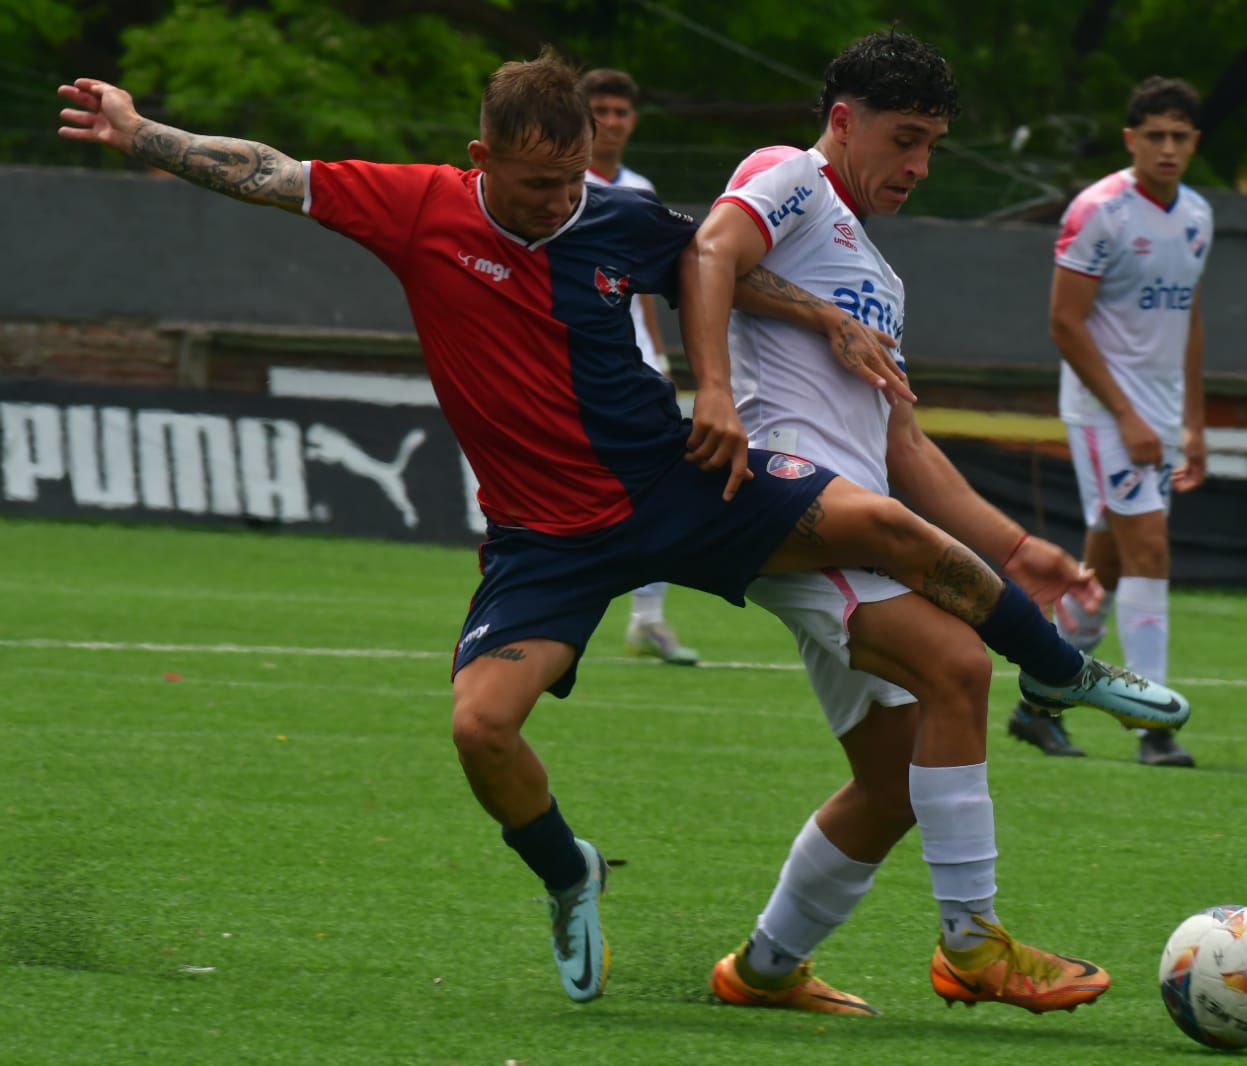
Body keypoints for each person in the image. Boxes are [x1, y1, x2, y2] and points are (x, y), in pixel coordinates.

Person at [57, 51, 1181, 1008]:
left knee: (889, 532)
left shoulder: (617, 213)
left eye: (572, 180)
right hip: (545, 537)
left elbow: (716, 266)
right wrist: (142, 130)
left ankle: (1059, 673)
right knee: (480, 729)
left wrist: (817, 318)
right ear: (482, 156)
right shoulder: (419, 207)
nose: (559, 202)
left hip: (670, 483)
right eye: (539, 183)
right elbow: (270, 172)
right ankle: (569, 873)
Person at [679, 31, 1191, 1017]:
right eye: (904, 139)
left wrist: (1016, 545)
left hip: (855, 519)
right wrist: (715, 393)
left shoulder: (879, 275)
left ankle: (765, 968)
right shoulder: (789, 176)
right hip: (792, 502)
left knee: (895, 778)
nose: (917, 166)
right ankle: (971, 941)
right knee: (961, 664)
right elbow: (708, 251)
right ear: (843, 122)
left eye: (932, 147)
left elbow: (904, 446)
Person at [1009, 76, 1212, 768]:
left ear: (1193, 144)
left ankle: (1035, 705)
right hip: (1104, 414)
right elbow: (1063, 324)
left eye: (1178, 137)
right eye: (1152, 135)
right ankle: (1153, 725)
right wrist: (1126, 415)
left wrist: (1193, 423)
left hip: (1154, 418)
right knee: (1150, 551)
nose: (1165, 148)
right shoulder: (1098, 211)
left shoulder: (1197, 217)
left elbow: (1187, 321)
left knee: (1099, 578)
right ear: (1130, 140)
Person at [579, 66, 697, 666]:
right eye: (601, 109)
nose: (612, 121)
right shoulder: (560, 182)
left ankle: (648, 620)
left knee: (661, 482)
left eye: (622, 111)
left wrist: (662, 355)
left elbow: (647, 285)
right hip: (578, 363)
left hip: (637, 362)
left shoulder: (640, 189)